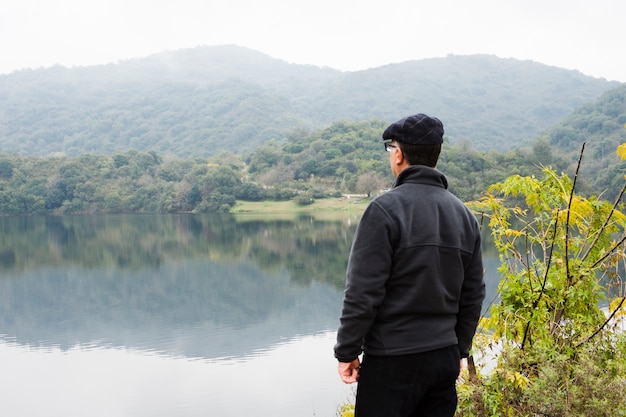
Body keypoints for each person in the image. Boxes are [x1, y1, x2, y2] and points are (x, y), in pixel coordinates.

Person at [334, 113, 485, 417]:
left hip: (392, 359)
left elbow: (363, 292)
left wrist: (347, 351)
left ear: (399, 154)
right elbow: (473, 294)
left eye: (391, 148)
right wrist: (459, 349)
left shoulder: (384, 210)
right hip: (442, 356)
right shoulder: (463, 215)